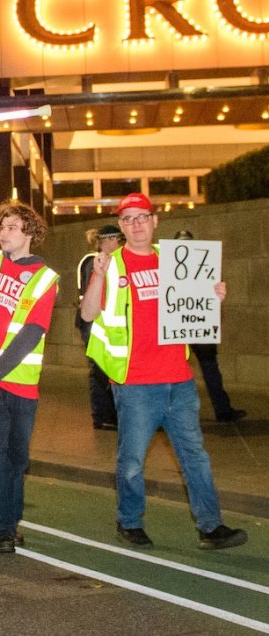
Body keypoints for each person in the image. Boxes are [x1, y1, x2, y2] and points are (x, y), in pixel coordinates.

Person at [81, 193, 247, 551]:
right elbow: (88, 315)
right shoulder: (110, 264)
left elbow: (197, 313)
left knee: (196, 457)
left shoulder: (176, 261)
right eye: (128, 219)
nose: (136, 224)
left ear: (155, 222)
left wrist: (212, 297)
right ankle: (129, 521)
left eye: (142, 217)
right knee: (132, 460)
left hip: (179, 380)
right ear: (122, 227)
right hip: (135, 382)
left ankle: (210, 526)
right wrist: (96, 278)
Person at [0, 200, 58, 554]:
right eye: (1, 226)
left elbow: (31, 333)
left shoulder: (45, 278)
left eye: (12, 227)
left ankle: (11, 521)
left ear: (30, 234)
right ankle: (2, 530)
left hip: (20, 382)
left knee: (17, 459)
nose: (4, 233)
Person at [173, 230, 246, 423]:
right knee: (197, 369)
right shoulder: (176, 267)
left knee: (209, 368)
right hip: (182, 326)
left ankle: (222, 410)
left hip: (197, 325)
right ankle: (220, 410)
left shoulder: (203, 266)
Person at [76, 226, 122, 430]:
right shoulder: (95, 262)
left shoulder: (97, 261)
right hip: (93, 324)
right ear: (108, 240)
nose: (120, 244)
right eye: (117, 239)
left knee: (102, 370)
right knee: (100, 370)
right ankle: (103, 415)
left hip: (95, 324)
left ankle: (106, 415)